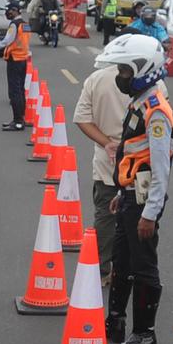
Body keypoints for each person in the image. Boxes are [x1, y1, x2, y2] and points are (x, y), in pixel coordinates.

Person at [93, 34, 173, 344]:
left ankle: (145, 334)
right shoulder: (140, 102)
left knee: (143, 265)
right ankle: (115, 321)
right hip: (131, 195)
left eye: (126, 71)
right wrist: (122, 193)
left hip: (144, 201)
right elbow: (132, 154)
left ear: (144, 70)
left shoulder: (156, 111)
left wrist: (149, 212)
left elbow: (160, 167)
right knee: (122, 261)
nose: (121, 77)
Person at [74, 65, 131, 288]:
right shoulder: (153, 84)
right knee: (137, 217)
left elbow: (81, 118)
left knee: (106, 216)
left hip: (107, 160)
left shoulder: (96, 79)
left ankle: (100, 267)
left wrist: (107, 143)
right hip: (140, 162)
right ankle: (129, 268)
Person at [0, 0, 31, 132]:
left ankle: (17, 122)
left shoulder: (14, 25)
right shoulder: (25, 24)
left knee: (15, 92)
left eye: (9, 10)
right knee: (20, 90)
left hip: (15, 60)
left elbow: (7, 41)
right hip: (22, 59)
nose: (7, 13)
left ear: (15, 10)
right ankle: (20, 118)